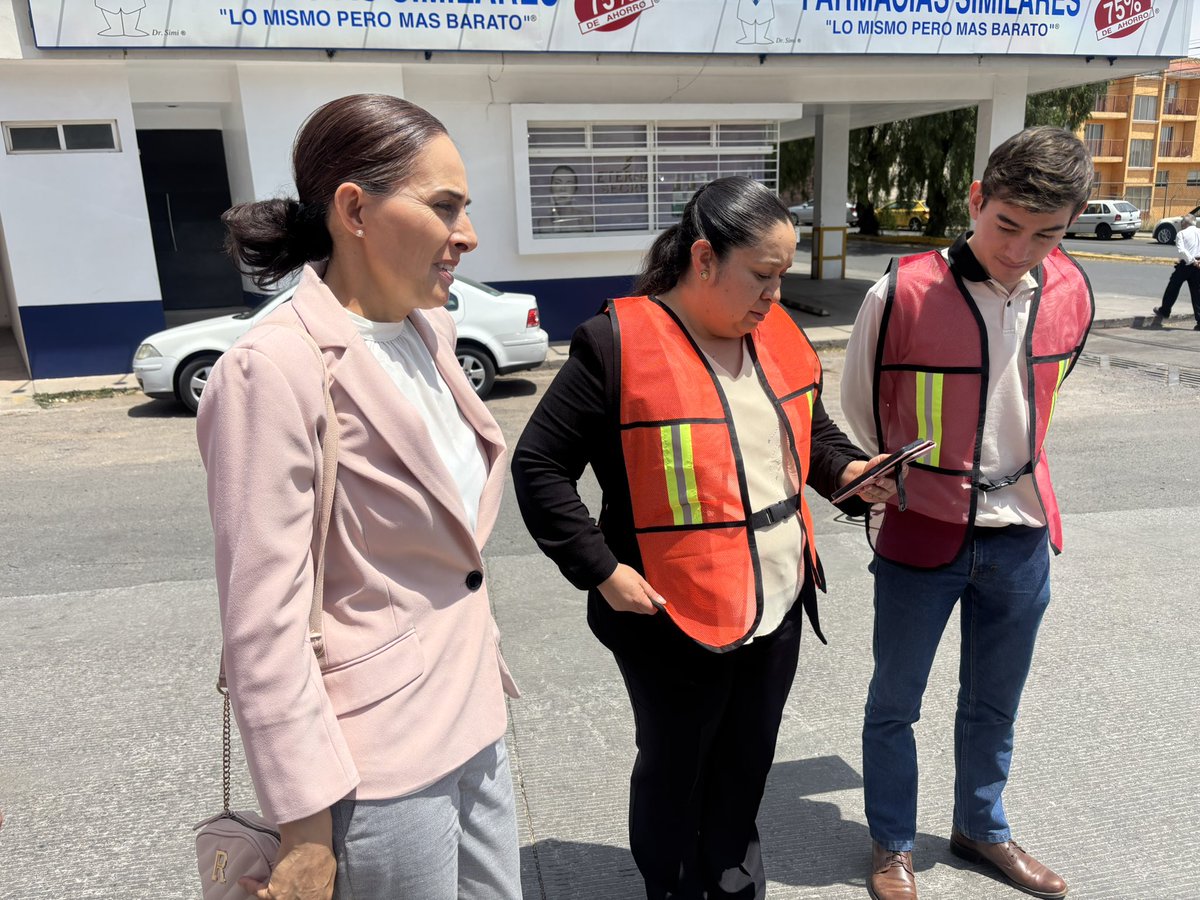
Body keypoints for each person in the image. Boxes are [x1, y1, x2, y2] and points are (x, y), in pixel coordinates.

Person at [511, 176, 896, 899]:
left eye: (783, 277)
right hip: (668, 609)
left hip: (777, 596)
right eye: (762, 275)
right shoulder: (616, 343)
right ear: (704, 258)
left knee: (747, 759)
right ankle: (671, 884)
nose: (774, 296)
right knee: (677, 764)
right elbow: (539, 465)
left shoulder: (772, 333)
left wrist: (853, 471)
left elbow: (809, 434)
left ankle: (730, 877)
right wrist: (601, 569)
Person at [196, 94, 521, 900]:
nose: (467, 234)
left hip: (477, 719)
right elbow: (262, 621)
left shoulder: (429, 335)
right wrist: (305, 825)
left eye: (465, 209)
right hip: (375, 763)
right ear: (354, 209)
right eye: (444, 206)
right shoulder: (273, 368)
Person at [840, 126, 1095, 900]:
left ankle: (981, 828)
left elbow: (1040, 406)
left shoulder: (1073, 290)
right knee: (896, 701)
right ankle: (891, 841)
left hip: (1021, 533)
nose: (1020, 250)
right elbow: (859, 407)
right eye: (1006, 225)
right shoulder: (902, 290)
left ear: (1072, 224)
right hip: (923, 526)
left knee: (995, 703)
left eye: (1047, 233)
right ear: (976, 200)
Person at [1152, 213, 1200, 329]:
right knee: (1197, 292)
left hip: (1186, 265)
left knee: (1173, 287)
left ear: (1184, 223)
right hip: (1198, 265)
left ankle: (1165, 310)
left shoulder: (1181, 234)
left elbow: (1182, 250)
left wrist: (1192, 260)